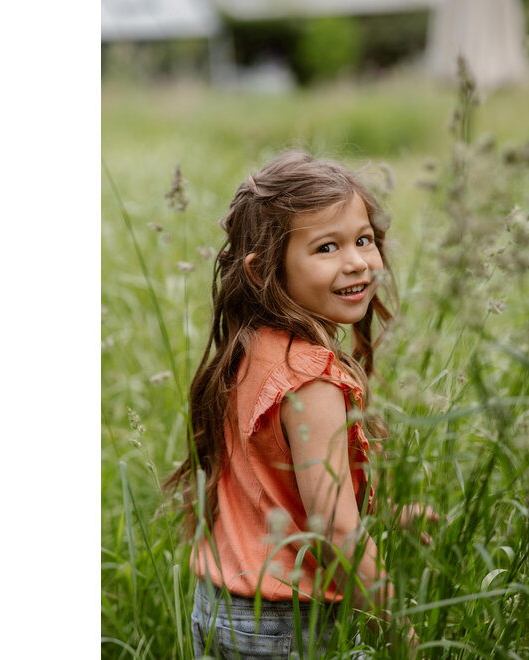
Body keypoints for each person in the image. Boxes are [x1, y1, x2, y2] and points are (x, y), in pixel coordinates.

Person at [163, 150, 424, 658]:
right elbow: (334, 528)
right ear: (264, 272)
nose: (356, 262)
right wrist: (399, 624)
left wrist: (388, 513)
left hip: (217, 607)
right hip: (285, 624)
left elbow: (282, 491)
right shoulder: (312, 380)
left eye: (363, 240)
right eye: (326, 247)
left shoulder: (249, 348)